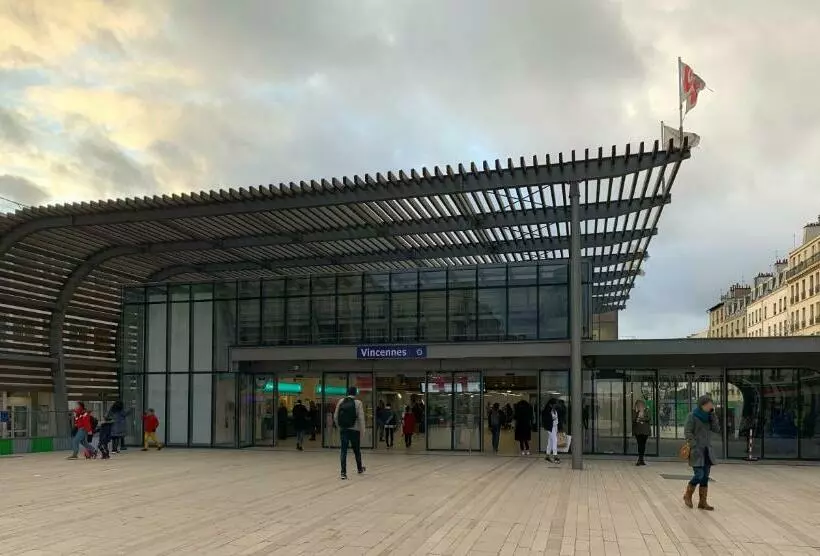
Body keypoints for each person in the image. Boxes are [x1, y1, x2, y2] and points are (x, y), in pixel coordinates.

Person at [683, 394, 720, 511]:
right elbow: (688, 432)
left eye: (711, 405)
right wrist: (693, 444)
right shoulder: (692, 416)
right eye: (709, 405)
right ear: (702, 405)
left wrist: (713, 416)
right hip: (696, 450)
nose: (710, 406)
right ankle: (687, 495)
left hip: (707, 450)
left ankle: (702, 502)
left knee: (705, 477)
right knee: (699, 474)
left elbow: (716, 429)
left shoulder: (710, 416)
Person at [333, 387, 366, 480]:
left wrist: (339, 427)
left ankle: (343, 473)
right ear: (355, 393)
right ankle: (359, 468)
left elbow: (335, 416)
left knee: (343, 451)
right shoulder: (358, 403)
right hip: (355, 430)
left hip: (344, 429)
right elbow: (361, 418)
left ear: (347, 392)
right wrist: (362, 431)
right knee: (356, 450)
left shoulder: (341, 401)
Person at [632, 399, 651, 466]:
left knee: (643, 444)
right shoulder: (635, 411)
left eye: (640, 404)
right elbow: (633, 419)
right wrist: (637, 413)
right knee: (639, 444)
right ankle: (640, 459)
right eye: (638, 405)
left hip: (645, 431)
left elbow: (648, 418)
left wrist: (640, 419)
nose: (639, 406)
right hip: (638, 431)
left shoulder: (647, 410)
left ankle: (641, 459)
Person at [542, 398, 561, 464]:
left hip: (555, 427)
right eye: (555, 404)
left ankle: (547, 455)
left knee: (550, 441)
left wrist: (557, 429)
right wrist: (551, 419)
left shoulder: (555, 410)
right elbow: (546, 419)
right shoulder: (547, 410)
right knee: (555, 440)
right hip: (550, 427)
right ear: (551, 404)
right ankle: (555, 456)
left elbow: (557, 420)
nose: (556, 405)